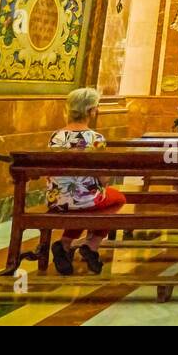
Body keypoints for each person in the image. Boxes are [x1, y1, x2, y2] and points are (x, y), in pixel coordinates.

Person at [47, 88, 126, 275]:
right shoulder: (96, 139)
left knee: (82, 202)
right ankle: (92, 245)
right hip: (85, 199)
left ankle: (65, 244)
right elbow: (103, 178)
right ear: (91, 111)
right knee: (117, 199)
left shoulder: (55, 137)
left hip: (57, 200)